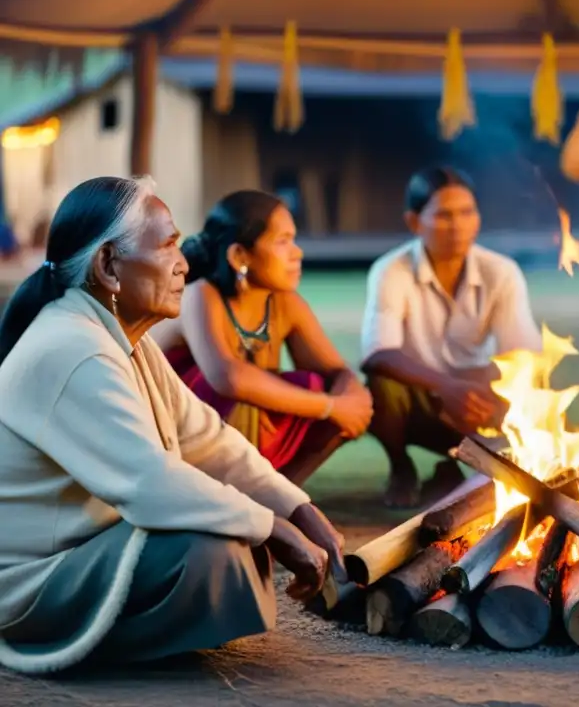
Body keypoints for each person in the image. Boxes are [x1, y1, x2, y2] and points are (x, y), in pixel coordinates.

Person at [0, 176, 345, 672]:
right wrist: (272, 528)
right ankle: (107, 647)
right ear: (109, 266)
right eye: (167, 246)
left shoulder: (118, 338)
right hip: (31, 586)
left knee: (228, 535)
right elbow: (150, 483)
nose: (184, 264)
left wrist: (298, 509)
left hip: (82, 556)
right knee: (210, 550)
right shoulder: (74, 346)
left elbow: (209, 440)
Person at [154, 190, 373, 486]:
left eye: (293, 240)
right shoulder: (200, 295)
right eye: (282, 241)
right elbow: (227, 378)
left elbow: (336, 371)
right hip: (176, 440)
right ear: (239, 256)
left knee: (326, 388)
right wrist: (330, 406)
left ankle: (283, 494)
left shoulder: (285, 302)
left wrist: (351, 396)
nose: (297, 252)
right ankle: (222, 494)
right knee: (259, 391)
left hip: (234, 439)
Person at [361, 165, 543, 508]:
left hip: (477, 397)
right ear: (415, 222)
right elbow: (378, 354)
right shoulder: (391, 270)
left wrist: (474, 387)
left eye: (467, 212)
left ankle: (456, 471)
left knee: (521, 390)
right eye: (444, 215)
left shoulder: (501, 272)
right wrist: (445, 386)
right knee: (379, 386)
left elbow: (522, 354)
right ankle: (401, 467)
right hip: (416, 397)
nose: (458, 225)